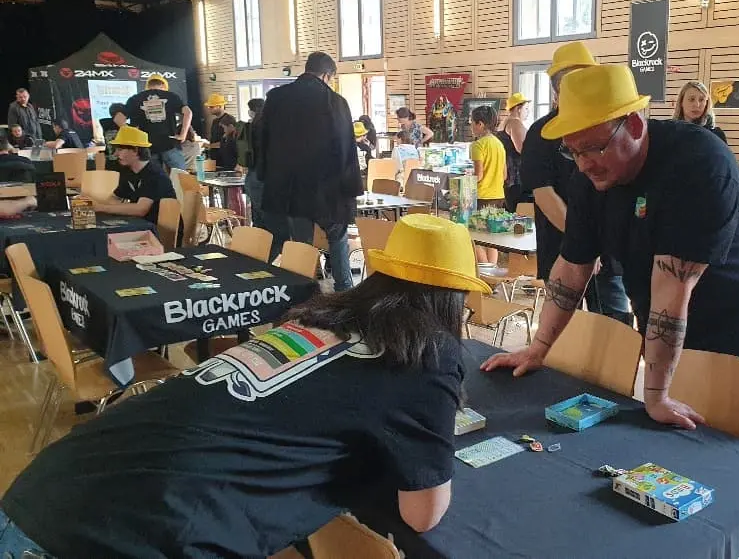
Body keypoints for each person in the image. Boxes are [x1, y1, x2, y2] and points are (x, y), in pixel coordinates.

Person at [0, 214, 490, 558]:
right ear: (453, 299)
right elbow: (424, 514)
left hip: (45, 490)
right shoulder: (427, 354)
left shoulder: (319, 316)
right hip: (107, 539)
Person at [483, 65, 739, 430]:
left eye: (594, 148)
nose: (584, 164)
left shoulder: (698, 162)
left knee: (723, 433)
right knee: (668, 422)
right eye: (573, 152)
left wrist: (656, 395)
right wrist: (538, 349)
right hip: (666, 303)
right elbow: (573, 266)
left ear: (634, 125)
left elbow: (672, 291)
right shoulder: (590, 175)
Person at [521, 42, 632, 326]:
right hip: (563, 249)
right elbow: (544, 195)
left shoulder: (609, 124)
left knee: (614, 327)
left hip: (610, 251)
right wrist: (584, 243)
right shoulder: (541, 133)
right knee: (565, 330)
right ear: (558, 90)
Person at [258, 52, 361, 290]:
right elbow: (345, 147)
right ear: (326, 75)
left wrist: (266, 176)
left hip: (289, 187)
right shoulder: (335, 101)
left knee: (301, 242)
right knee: (337, 236)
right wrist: (351, 187)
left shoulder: (276, 97)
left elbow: (263, 140)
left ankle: (302, 289)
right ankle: (344, 288)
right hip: (326, 188)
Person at [91, 126, 177, 226]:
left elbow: (141, 209)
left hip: (160, 229)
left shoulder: (155, 175)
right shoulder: (128, 171)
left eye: (120, 149)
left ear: (135, 150)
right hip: (139, 224)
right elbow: (114, 198)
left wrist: (101, 207)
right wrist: (91, 203)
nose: (115, 154)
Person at [124, 74, 192, 172]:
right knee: (181, 177)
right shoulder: (171, 96)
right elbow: (188, 112)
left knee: (155, 178)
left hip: (147, 146)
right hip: (170, 144)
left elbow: (123, 118)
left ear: (147, 86)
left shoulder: (135, 99)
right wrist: (183, 135)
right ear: (163, 85)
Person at [469, 105, 506, 265]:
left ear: (480, 124)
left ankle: (485, 271)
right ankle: (492, 272)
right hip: (498, 196)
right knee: (492, 238)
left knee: (474, 237)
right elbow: (504, 175)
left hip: (482, 196)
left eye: (472, 122)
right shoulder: (499, 144)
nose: (471, 126)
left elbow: (478, 175)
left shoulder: (478, 145)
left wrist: (465, 179)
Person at [497, 92, 532, 213]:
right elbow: (522, 149)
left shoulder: (503, 123)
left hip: (506, 173)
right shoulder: (515, 123)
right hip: (515, 175)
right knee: (518, 212)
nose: (528, 112)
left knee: (510, 210)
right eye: (526, 109)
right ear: (518, 108)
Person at [238, 98, 265, 226]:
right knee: (265, 214)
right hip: (264, 175)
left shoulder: (250, 127)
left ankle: (258, 236)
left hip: (253, 173)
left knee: (258, 213)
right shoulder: (270, 125)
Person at [97, 102, 128, 173]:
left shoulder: (106, 125)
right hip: (122, 163)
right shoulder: (124, 128)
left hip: (110, 163)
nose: (126, 117)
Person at [206, 93, 237, 161]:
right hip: (215, 157)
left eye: (211, 107)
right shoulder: (215, 121)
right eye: (209, 107)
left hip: (225, 158)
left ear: (220, 106)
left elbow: (228, 142)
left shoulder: (229, 120)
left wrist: (209, 146)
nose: (209, 109)